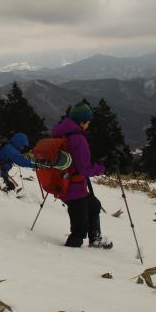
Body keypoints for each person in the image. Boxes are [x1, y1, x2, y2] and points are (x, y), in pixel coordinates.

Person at [51, 102, 110, 248]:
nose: (88, 125)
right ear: (82, 122)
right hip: (74, 188)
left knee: (94, 206)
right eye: (88, 122)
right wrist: (101, 168)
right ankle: (70, 255)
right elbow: (85, 169)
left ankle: (95, 239)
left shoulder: (61, 133)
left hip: (63, 183)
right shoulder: (78, 139)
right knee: (78, 231)